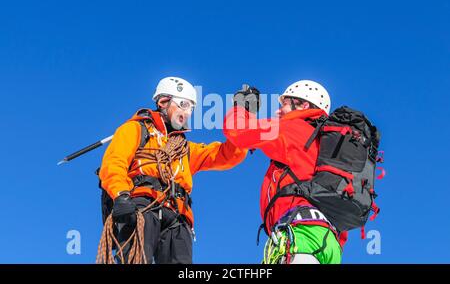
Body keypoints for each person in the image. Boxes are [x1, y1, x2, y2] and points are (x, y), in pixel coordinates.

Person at [99, 76, 247, 264]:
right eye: (183, 104)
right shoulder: (135, 130)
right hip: (142, 207)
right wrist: (121, 195)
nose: (187, 112)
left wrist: (241, 114)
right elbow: (114, 162)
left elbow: (226, 154)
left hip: (178, 217)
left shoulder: (185, 149)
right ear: (163, 102)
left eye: (191, 108)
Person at [223, 80, 347, 264]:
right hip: (329, 243)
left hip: (300, 236)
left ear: (303, 105)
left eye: (285, 104)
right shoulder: (331, 147)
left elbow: (240, 132)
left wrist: (242, 106)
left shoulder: (292, 129)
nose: (278, 111)